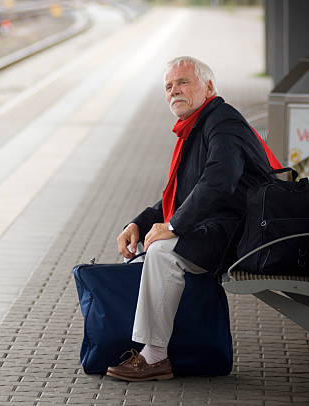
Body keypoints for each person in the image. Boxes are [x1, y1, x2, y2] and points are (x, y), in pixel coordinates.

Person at [106, 56, 281, 382]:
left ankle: (155, 356)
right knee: (153, 246)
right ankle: (158, 348)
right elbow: (181, 193)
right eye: (168, 86)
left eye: (183, 82)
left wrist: (172, 227)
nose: (174, 91)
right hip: (227, 229)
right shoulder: (200, 125)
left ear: (209, 87)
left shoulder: (222, 122)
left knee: (161, 252)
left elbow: (219, 179)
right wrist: (138, 223)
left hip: (249, 236)